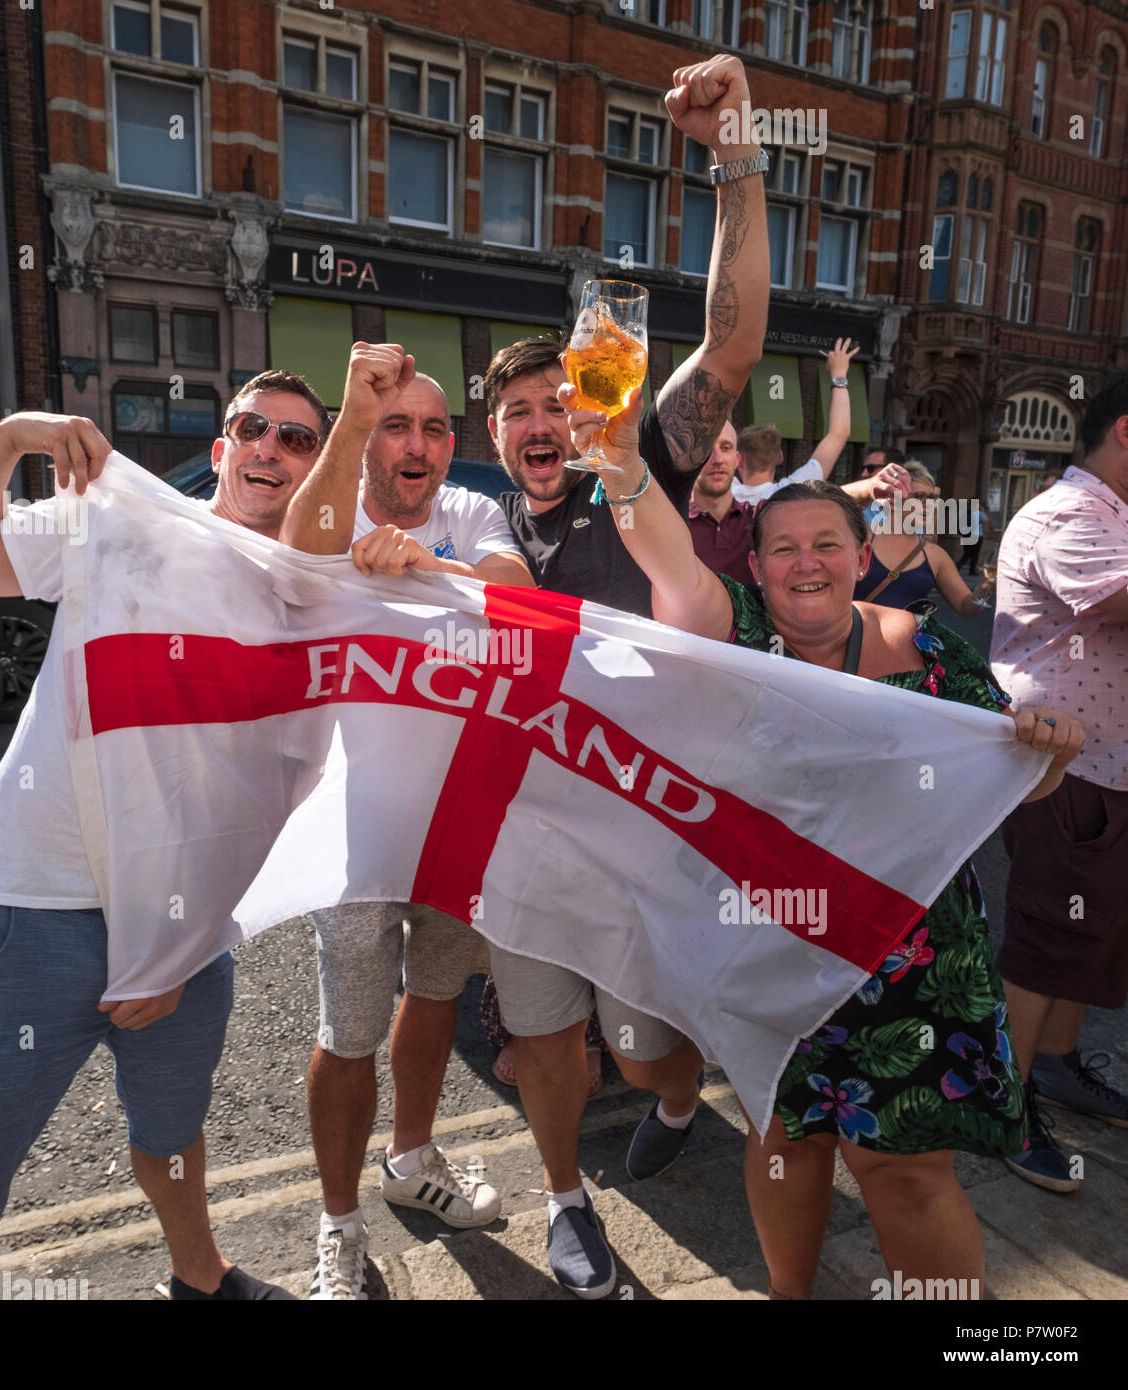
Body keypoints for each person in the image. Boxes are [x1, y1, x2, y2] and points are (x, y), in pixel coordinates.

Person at [567, 381, 1085, 1300]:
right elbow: (670, 561)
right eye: (784, 551)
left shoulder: (928, 651)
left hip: (913, 961)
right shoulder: (734, 634)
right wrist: (619, 466)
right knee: (784, 1143)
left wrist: (1050, 753)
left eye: (826, 547)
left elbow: (1013, 776)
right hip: (775, 945)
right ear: (758, 568)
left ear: (861, 558)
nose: (806, 565)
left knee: (908, 1172)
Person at [0, 371, 331, 1302]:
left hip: (187, 925)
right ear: (221, 451)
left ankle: (199, 1277)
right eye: (254, 428)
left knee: (171, 1131)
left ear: (317, 469)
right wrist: (10, 437)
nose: (270, 450)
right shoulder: (116, 523)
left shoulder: (315, 594)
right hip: (30, 908)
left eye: (298, 441)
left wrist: (175, 946)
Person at [475, 52, 767, 1300]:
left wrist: (736, 160)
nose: (542, 421)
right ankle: (563, 1199)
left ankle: (677, 1097)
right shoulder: (476, 532)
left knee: (647, 1053)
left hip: (648, 825)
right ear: (498, 436)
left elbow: (736, 336)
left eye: (557, 398)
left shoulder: (629, 457)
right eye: (517, 410)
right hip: (529, 829)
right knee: (543, 1036)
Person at [280, 347, 525, 1299]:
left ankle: (411, 1162)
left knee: (435, 996)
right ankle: (340, 1229)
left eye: (431, 428)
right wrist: (347, 415)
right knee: (348, 1032)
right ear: (366, 437)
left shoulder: (468, 512)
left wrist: (435, 570)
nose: (415, 444)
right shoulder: (335, 505)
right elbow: (301, 559)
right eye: (394, 425)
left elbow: (517, 593)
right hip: (351, 828)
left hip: (459, 813)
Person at [989, 372, 1128, 1191]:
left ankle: (1058, 1067)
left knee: (1091, 933)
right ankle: (1004, 1104)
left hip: (1104, 768)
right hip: (1065, 769)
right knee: (1047, 940)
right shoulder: (1070, 514)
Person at [688, 421, 912, 590]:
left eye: (725, 447)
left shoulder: (758, 516)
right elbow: (837, 435)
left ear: (738, 460)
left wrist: (870, 488)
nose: (716, 458)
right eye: (706, 449)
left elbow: (813, 502)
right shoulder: (671, 522)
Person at [857, 460, 994, 618]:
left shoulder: (935, 556)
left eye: (932, 498)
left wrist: (985, 587)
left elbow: (966, 607)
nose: (928, 504)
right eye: (920, 496)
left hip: (907, 642)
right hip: (858, 640)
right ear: (893, 498)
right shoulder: (861, 537)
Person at [731, 337, 857, 503]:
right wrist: (839, 375)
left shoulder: (723, 494)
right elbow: (839, 433)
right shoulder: (792, 491)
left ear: (738, 459)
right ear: (780, 457)